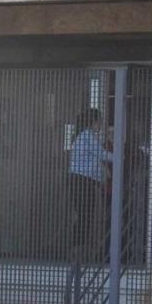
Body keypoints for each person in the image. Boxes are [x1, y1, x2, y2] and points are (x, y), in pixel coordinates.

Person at [67, 108, 112, 261]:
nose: (101, 125)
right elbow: (101, 154)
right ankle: (75, 249)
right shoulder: (87, 136)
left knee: (85, 216)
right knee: (85, 216)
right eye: (99, 121)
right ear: (94, 122)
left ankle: (78, 249)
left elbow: (94, 159)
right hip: (82, 182)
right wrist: (120, 156)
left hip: (81, 181)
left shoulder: (83, 136)